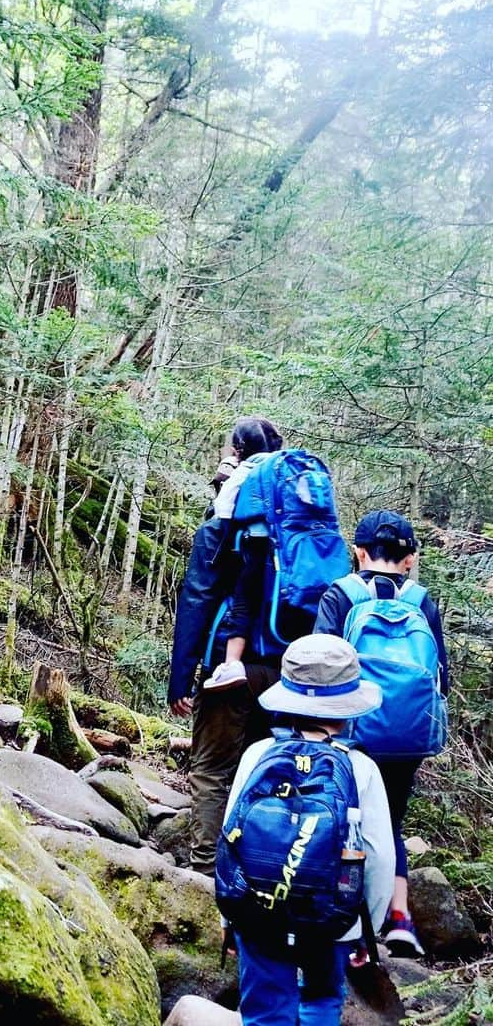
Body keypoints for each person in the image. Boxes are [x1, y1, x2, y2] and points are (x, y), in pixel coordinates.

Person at [220, 634, 394, 1026]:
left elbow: (230, 839)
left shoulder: (257, 755)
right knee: (319, 1001)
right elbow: (379, 855)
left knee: (264, 1012)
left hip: (258, 912)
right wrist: (366, 928)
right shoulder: (361, 769)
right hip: (330, 921)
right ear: (348, 707)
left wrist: (229, 919)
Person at [314, 510, 449, 957]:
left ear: (358, 552)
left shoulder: (343, 594)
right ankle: (399, 916)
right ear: (410, 558)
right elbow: (440, 678)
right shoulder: (423, 601)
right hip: (408, 737)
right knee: (388, 821)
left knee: (347, 819)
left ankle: (351, 922)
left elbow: (322, 665)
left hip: (352, 730)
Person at [167, 416, 284, 876]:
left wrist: (182, 674)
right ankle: (256, 870)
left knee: (214, 768)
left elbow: (199, 596)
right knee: (262, 770)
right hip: (284, 667)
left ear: (236, 452)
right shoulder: (292, 517)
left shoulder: (227, 518)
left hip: (227, 665)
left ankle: (203, 874)